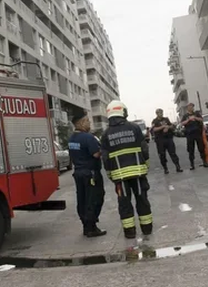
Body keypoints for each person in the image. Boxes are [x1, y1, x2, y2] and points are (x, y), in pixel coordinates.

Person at [100, 100, 153, 240]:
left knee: (124, 203)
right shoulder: (135, 128)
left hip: (120, 177)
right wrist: (146, 164)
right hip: (138, 173)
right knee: (142, 199)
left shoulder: (105, 135)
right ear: (123, 111)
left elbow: (105, 158)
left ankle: (130, 232)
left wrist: (110, 174)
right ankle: (147, 228)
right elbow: (144, 148)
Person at [67, 113, 106, 238]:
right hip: (91, 173)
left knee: (82, 199)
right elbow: (96, 154)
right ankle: (91, 227)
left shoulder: (72, 138)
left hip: (78, 172)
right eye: (87, 121)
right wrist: (103, 150)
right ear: (80, 123)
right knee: (94, 198)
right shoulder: (88, 137)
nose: (89, 123)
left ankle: (86, 225)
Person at [180, 102, 208, 169]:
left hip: (197, 133)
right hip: (190, 134)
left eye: (192, 106)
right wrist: (189, 119)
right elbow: (182, 123)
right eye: (190, 106)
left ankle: (204, 162)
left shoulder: (196, 114)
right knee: (190, 150)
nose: (191, 107)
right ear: (187, 108)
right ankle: (192, 164)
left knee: (201, 148)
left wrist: (195, 118)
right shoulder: (185, 116)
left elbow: (201, 119)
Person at [149, 108, 182, 174]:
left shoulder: (166, 119)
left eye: (161, 112)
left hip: (168, 139)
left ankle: (178, 167)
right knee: (162, 155)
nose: (161, 114)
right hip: (160, 140)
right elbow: (153, 129)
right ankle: (165, 168)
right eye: (159, 113)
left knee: (173, 153)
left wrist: (167, 127)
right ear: (157, 113)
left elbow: (172, 126)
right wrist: (163, 127)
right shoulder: (154, 121)